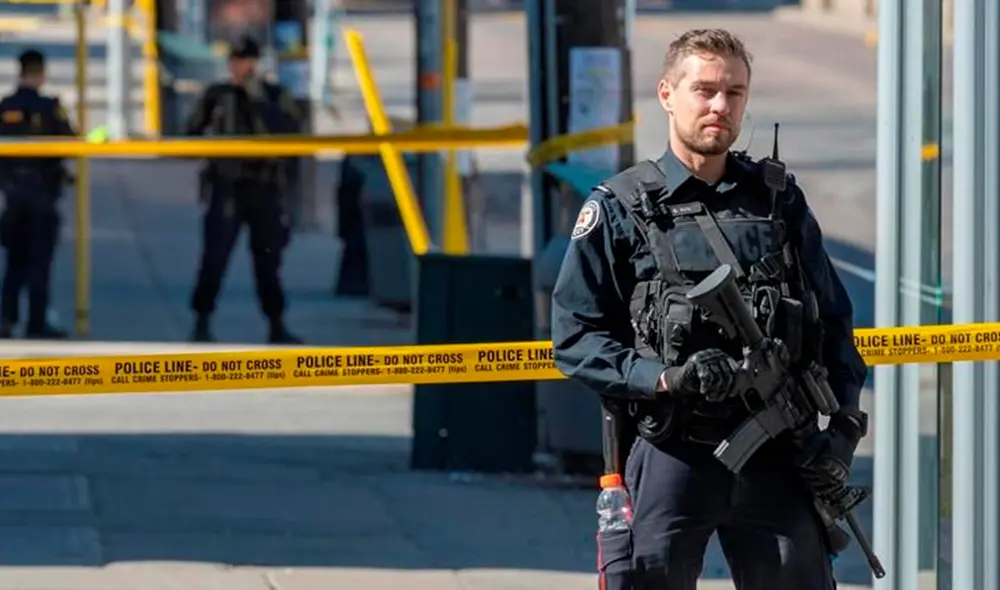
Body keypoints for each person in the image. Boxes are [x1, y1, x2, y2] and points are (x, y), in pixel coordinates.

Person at [550, 29, 869, 590]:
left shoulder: (778, 202)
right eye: (705, 90)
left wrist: (843, 428)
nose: (721, 106)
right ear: (667, 94)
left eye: (735, 93)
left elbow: (834, 323)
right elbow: (576, 338)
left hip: (777, 452)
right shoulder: (622, 207)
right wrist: (666, 378)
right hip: (675, 449)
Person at [185, 35, 303, 344]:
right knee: (215, 257)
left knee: (268, 260)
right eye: (234, 61)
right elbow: (189, 133)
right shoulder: (217, 95)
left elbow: (290, 134)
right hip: (226, 186)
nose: (239, 67)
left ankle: (276, 323)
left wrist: (259, 99)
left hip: (263, 187)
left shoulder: (275, 95)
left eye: (245, 61)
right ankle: (202, 319)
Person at [0, 49, 74, 339]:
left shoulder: (4, 107)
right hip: (42, 197)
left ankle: (5, 319)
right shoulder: (50, 107)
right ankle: (36, 322)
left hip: (13, 198)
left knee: (15, 262)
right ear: (41, 74)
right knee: (40, 264)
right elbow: (70, 142)